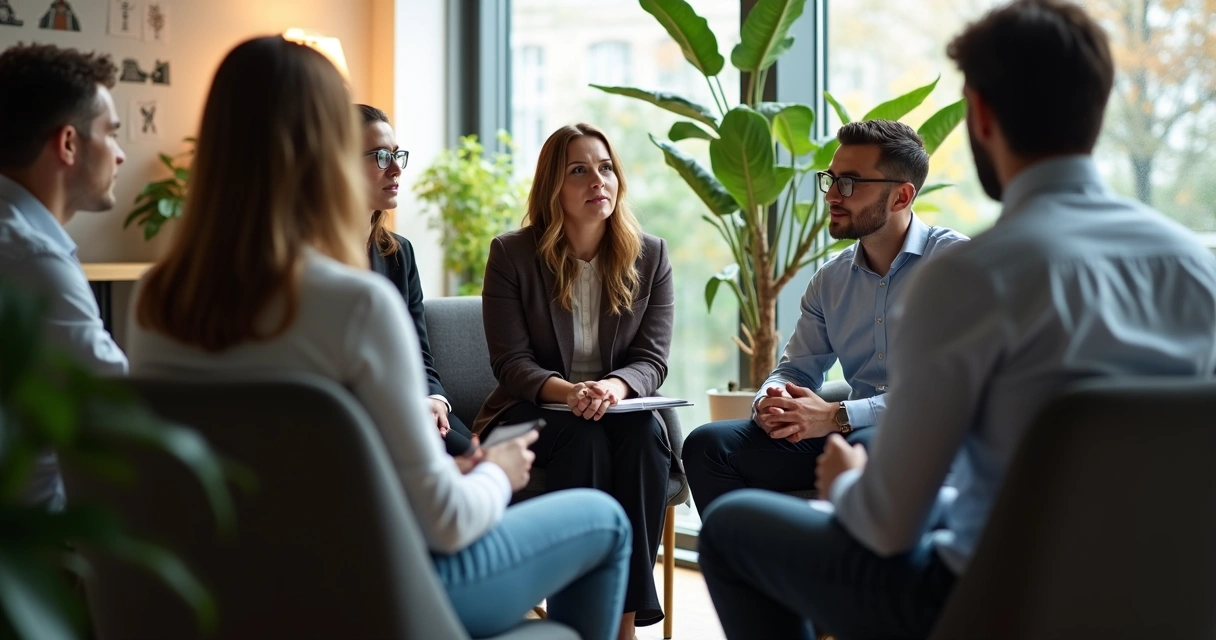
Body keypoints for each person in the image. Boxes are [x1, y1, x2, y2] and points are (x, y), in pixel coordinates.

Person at [696, 1, 1216, 638]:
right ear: (1099, 107)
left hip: (989, 600)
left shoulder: (971, 276)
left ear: (981, 115)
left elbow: (886, 530)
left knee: (728, 531)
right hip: (1163, 598)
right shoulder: (1196, 266)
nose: (834, 192)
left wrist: (851, 485)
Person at [126, 37, 630, 640]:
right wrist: (496, 469)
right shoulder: (356, 304)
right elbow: (444, 522)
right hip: (369, 597)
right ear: (324, 154)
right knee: (604, 522)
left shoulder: (156, 299)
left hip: (225, 592)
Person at [682, 119, 968, 512]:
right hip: (849, 436)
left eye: (849, 183)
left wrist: (838, 416)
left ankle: (832, 570)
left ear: (902, 197)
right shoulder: (830, 280)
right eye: (830, 179)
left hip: (930, 441)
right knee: (709, 446)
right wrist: (772, 400)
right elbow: (797, 370)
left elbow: (951, 393)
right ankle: (755, 571)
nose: (832, 195)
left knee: (870, 449)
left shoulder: (956, 267)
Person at [473, 123, 674, 639]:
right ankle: (582, 615)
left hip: (617, 404)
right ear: (552, 188)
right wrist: (574, 392)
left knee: (647, 440)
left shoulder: (650, 255)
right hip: (537, 406)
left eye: (605, 167)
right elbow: (512, 364)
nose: (597, 180)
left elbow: (651, 359)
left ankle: (622, 623)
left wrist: (612, 387)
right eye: (579, 170)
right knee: (581, 438)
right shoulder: (512, 255)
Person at [0, 43, 128, 509]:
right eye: (111, 134)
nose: (120, 156)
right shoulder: (33, 258)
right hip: (39, 552)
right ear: (69, 143)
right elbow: (124, 409)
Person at [356, 103, 474, 457]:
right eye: (380, 156)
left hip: (413, 407)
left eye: (396, 155)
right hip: (362, 417)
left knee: (480, 458)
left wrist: (433, 397)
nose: (395, 169)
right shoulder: (308, 259)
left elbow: (417, 349)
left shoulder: (397, 253)